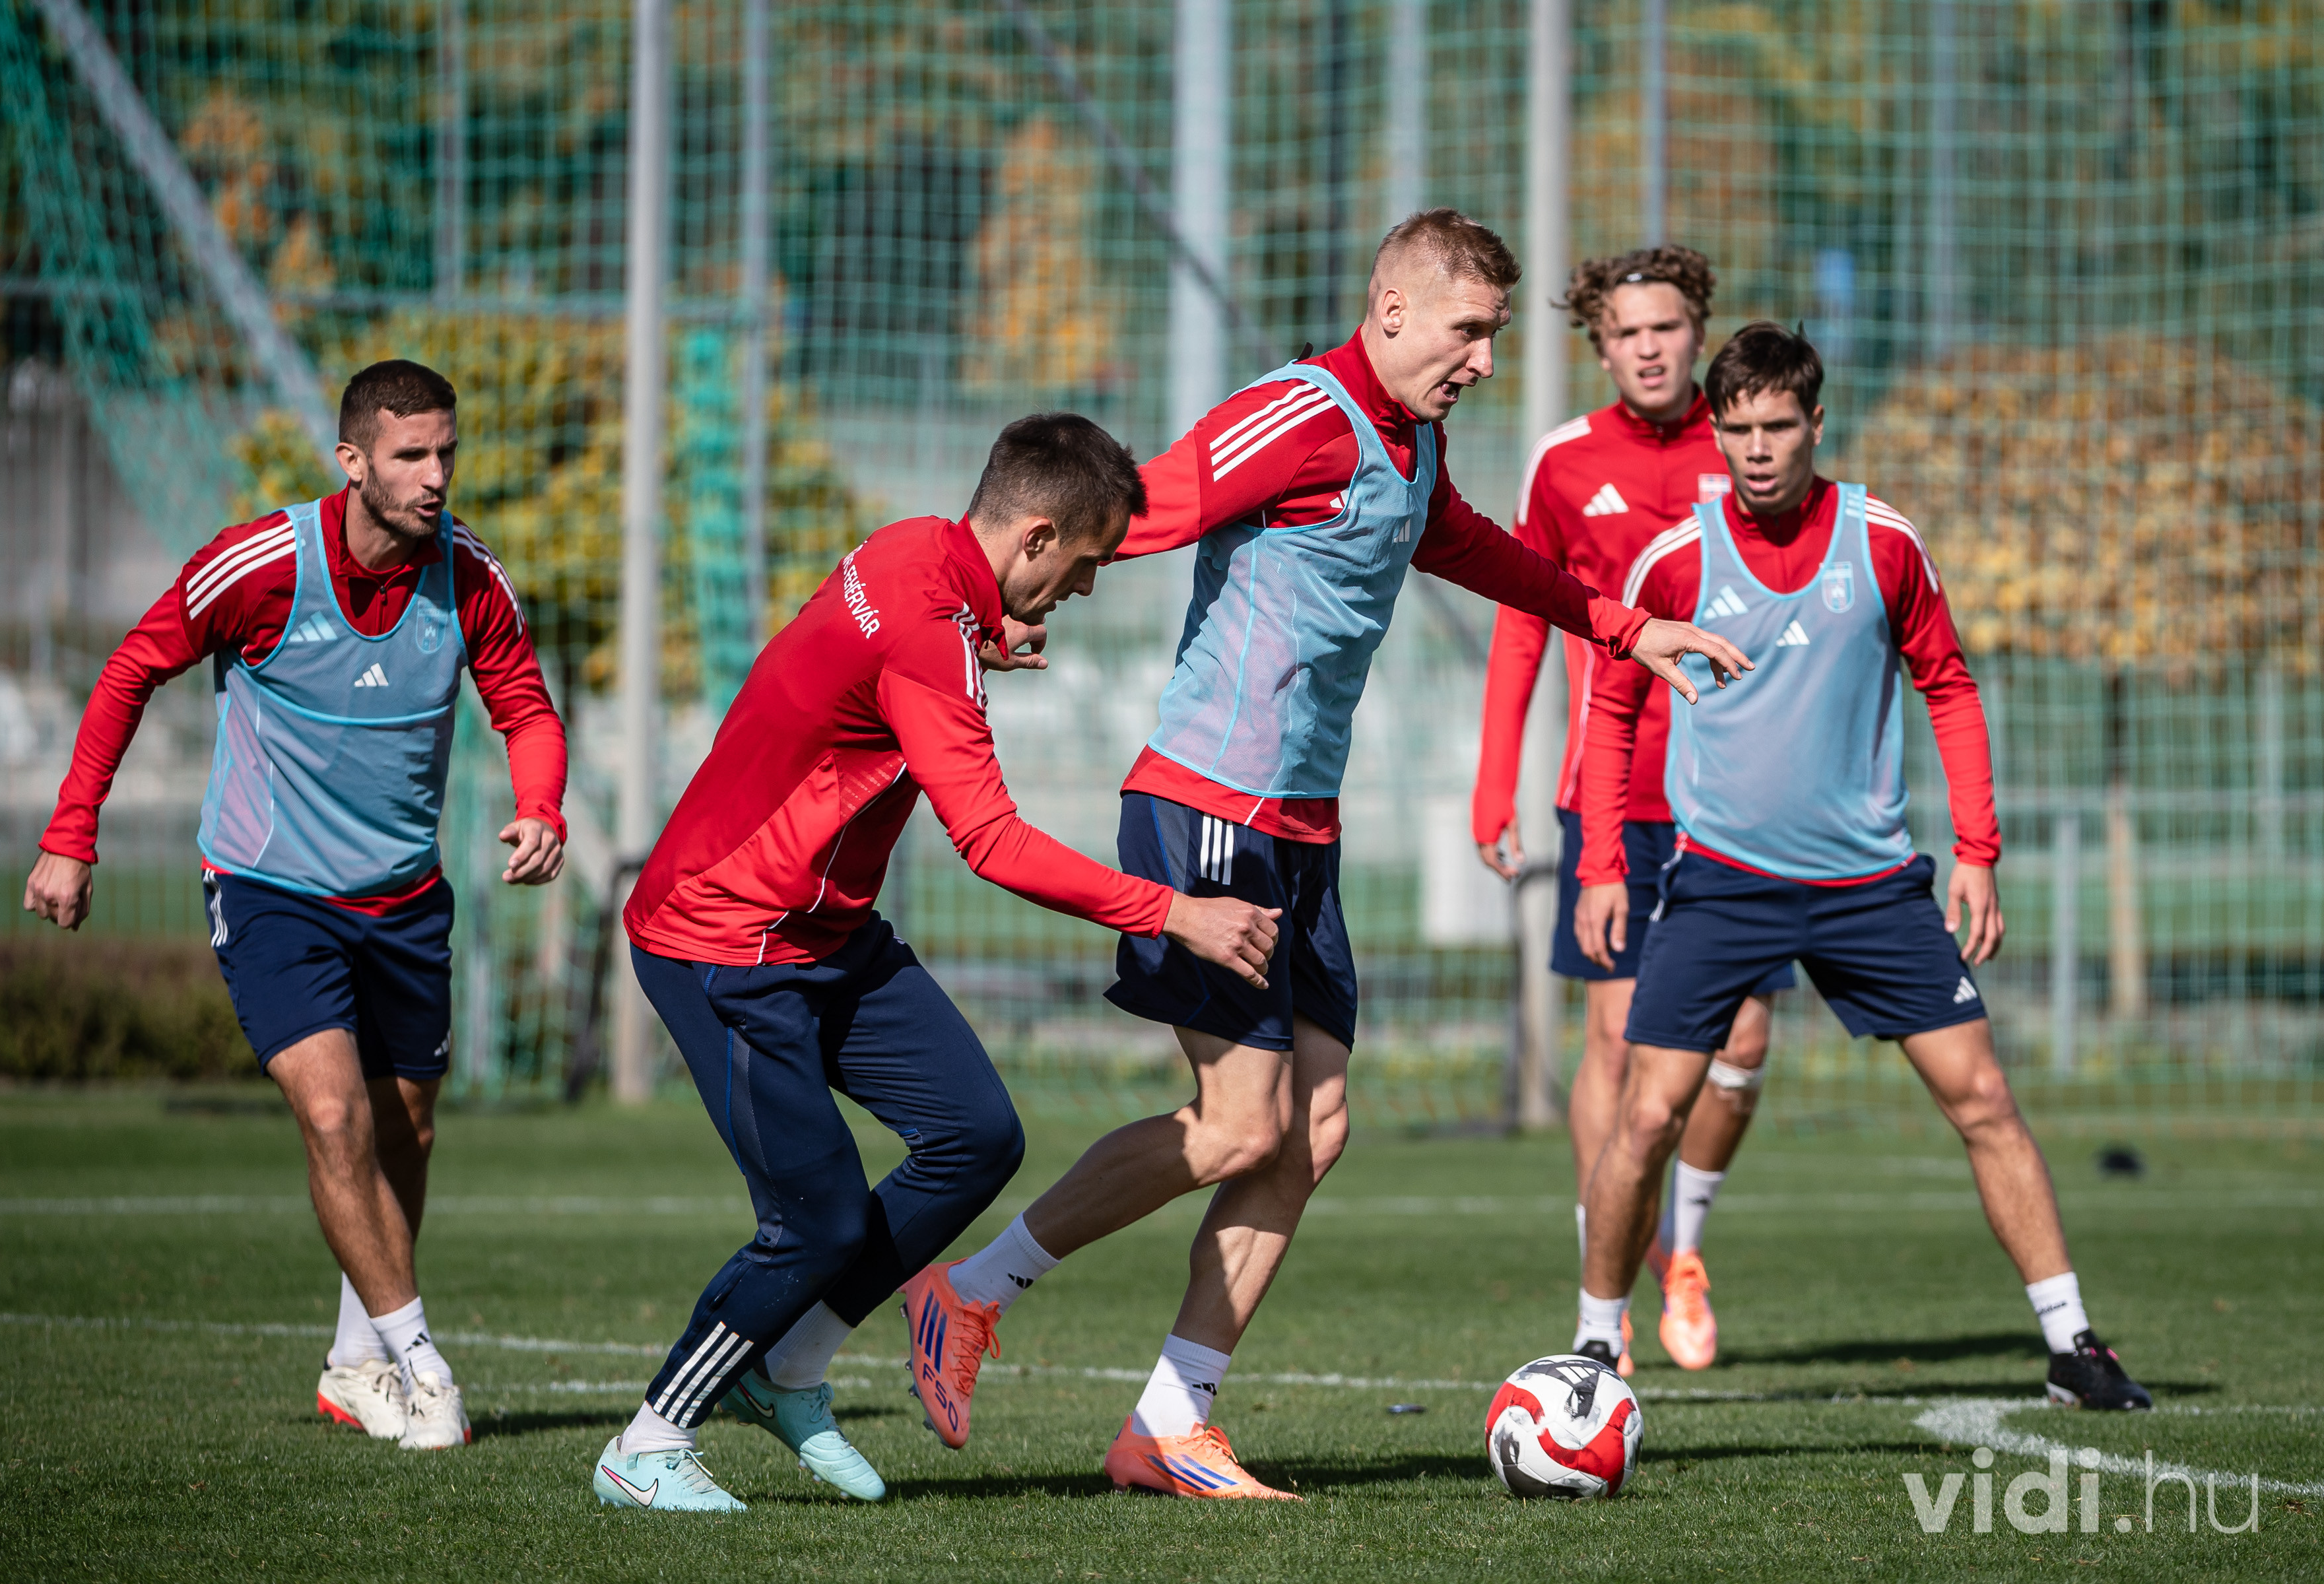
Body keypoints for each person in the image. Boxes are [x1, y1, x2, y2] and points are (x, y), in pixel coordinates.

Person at [915, 209, 1756, 1500]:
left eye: (1492, 336)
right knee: (1239, 1124)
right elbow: (1136, 508)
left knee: (1312, 1128)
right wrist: (982, 606)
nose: (1483, 360)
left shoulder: (1412, 440)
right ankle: (970, 1292)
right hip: (1208, 808)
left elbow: (1468, 545)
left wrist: (1622, 626)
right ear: (1394, 310)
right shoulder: (1299, 414)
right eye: (1468, 332)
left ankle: (1169, 1423)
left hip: (1301, 828)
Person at [595, 414, 1284, 1513]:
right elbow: (993, 843)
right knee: (815, 1222)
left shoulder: (913, 549)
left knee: (976, 1135)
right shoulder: (931, 635)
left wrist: (976, 650)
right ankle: (649, 1442)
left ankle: (790, 1366)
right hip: (723, 939)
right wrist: (1175, 913)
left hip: (825, 932)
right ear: (1038, 535)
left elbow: (856, 662)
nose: (1085, 589)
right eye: (1088, 564)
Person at [1566, 323, 2150, 1411]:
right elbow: (1611, 704)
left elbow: (1950, 687)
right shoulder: (1676, 557)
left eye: (1778, 427)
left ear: (1817, 424)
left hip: (1871, 889)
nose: (1757, 450)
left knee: (1984, 1099)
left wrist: (1977, 852)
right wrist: (1603, 862)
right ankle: (1596, 1350)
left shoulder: (1883, 543)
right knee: (1645, 1117)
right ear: (1718, 432)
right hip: (1721, 881)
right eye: (1737, 429)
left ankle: (2073, 1345)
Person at [26, 360, 570, 1450]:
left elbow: (525, 705)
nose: (435, 476)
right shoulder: (261, 566)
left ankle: (354, 1363)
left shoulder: (470, 576)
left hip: (404, 900)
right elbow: (131, 670)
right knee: (332, 1116)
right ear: (353, 461)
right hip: (270, 888)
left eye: (446, 452)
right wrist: (70, 834)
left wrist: (541, 805)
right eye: (411, 455)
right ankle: (422, 1365)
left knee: (407, 1128)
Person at [1473, 245, 1781, 1373]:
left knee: (1741, 1041)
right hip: (1608, 798)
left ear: (1698, 331)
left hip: (1741, 804)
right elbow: (1522, 618)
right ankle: (1604, 1282)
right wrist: (1495, 778)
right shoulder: (1564, 463)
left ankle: (1679, 1247)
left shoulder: (1751, 444)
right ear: (1599, 348)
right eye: (1625, 333)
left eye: (1665, 328)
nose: (1648, 349)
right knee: (1612, 1041)